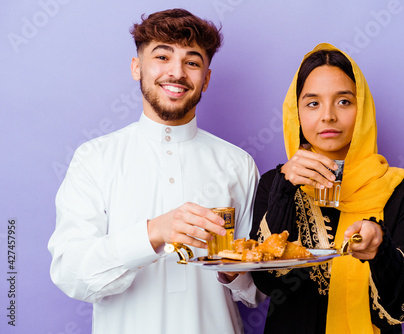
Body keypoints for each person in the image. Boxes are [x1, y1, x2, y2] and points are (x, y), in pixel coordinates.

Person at [48, 9, 263, 334]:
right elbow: (71, 274)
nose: (176, 72)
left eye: (192, 62)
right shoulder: (95, 159)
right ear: (137, 67)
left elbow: (258, 292)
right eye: (162, 56)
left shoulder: (238, 164)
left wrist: (234, 271)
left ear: (205, 78)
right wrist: (153, 232)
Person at [249, 43, 404, 333]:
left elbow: (403, 304)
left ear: (363, 109)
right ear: (296, 113)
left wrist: (380, 249)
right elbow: (269, 283)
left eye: (344, 101)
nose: (328, 116)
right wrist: (285, 187)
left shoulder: (397, 187)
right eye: (312, 103)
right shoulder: (275, 183)